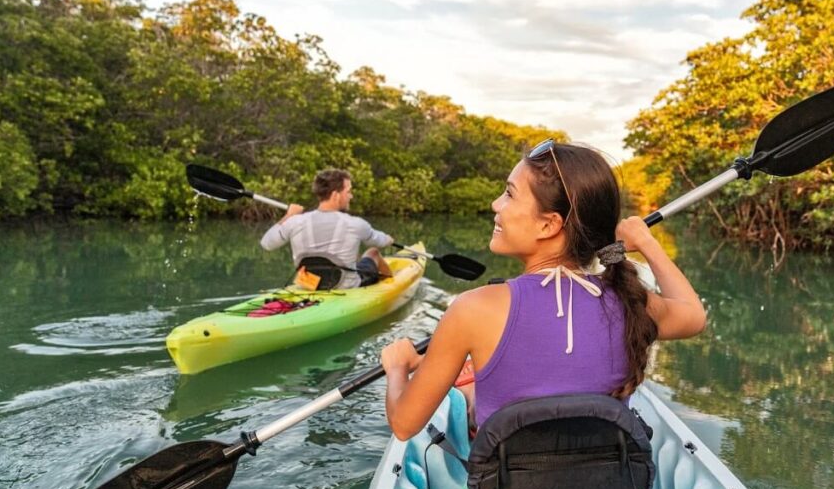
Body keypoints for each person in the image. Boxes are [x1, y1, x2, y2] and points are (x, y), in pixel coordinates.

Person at [380, 140, 707, 440]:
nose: (496, 205)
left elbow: (405, 425)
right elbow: (693, 316)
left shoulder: (472, 309)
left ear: (548, 224)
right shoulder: (629, 301)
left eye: (509, 194)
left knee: (469, 395)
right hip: (607, 486)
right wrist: (647, 243)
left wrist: (397, 368)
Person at [260, 168, 394, 289]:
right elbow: (381, 241)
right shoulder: (356, 224)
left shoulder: (295, 221)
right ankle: (392, 286)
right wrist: (389, 239)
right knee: (373, 253)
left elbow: (266, 244)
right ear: (336, 195)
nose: (351, 196)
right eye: (348, 191)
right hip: (345, 286)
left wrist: (288, 216)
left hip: (309, 285)